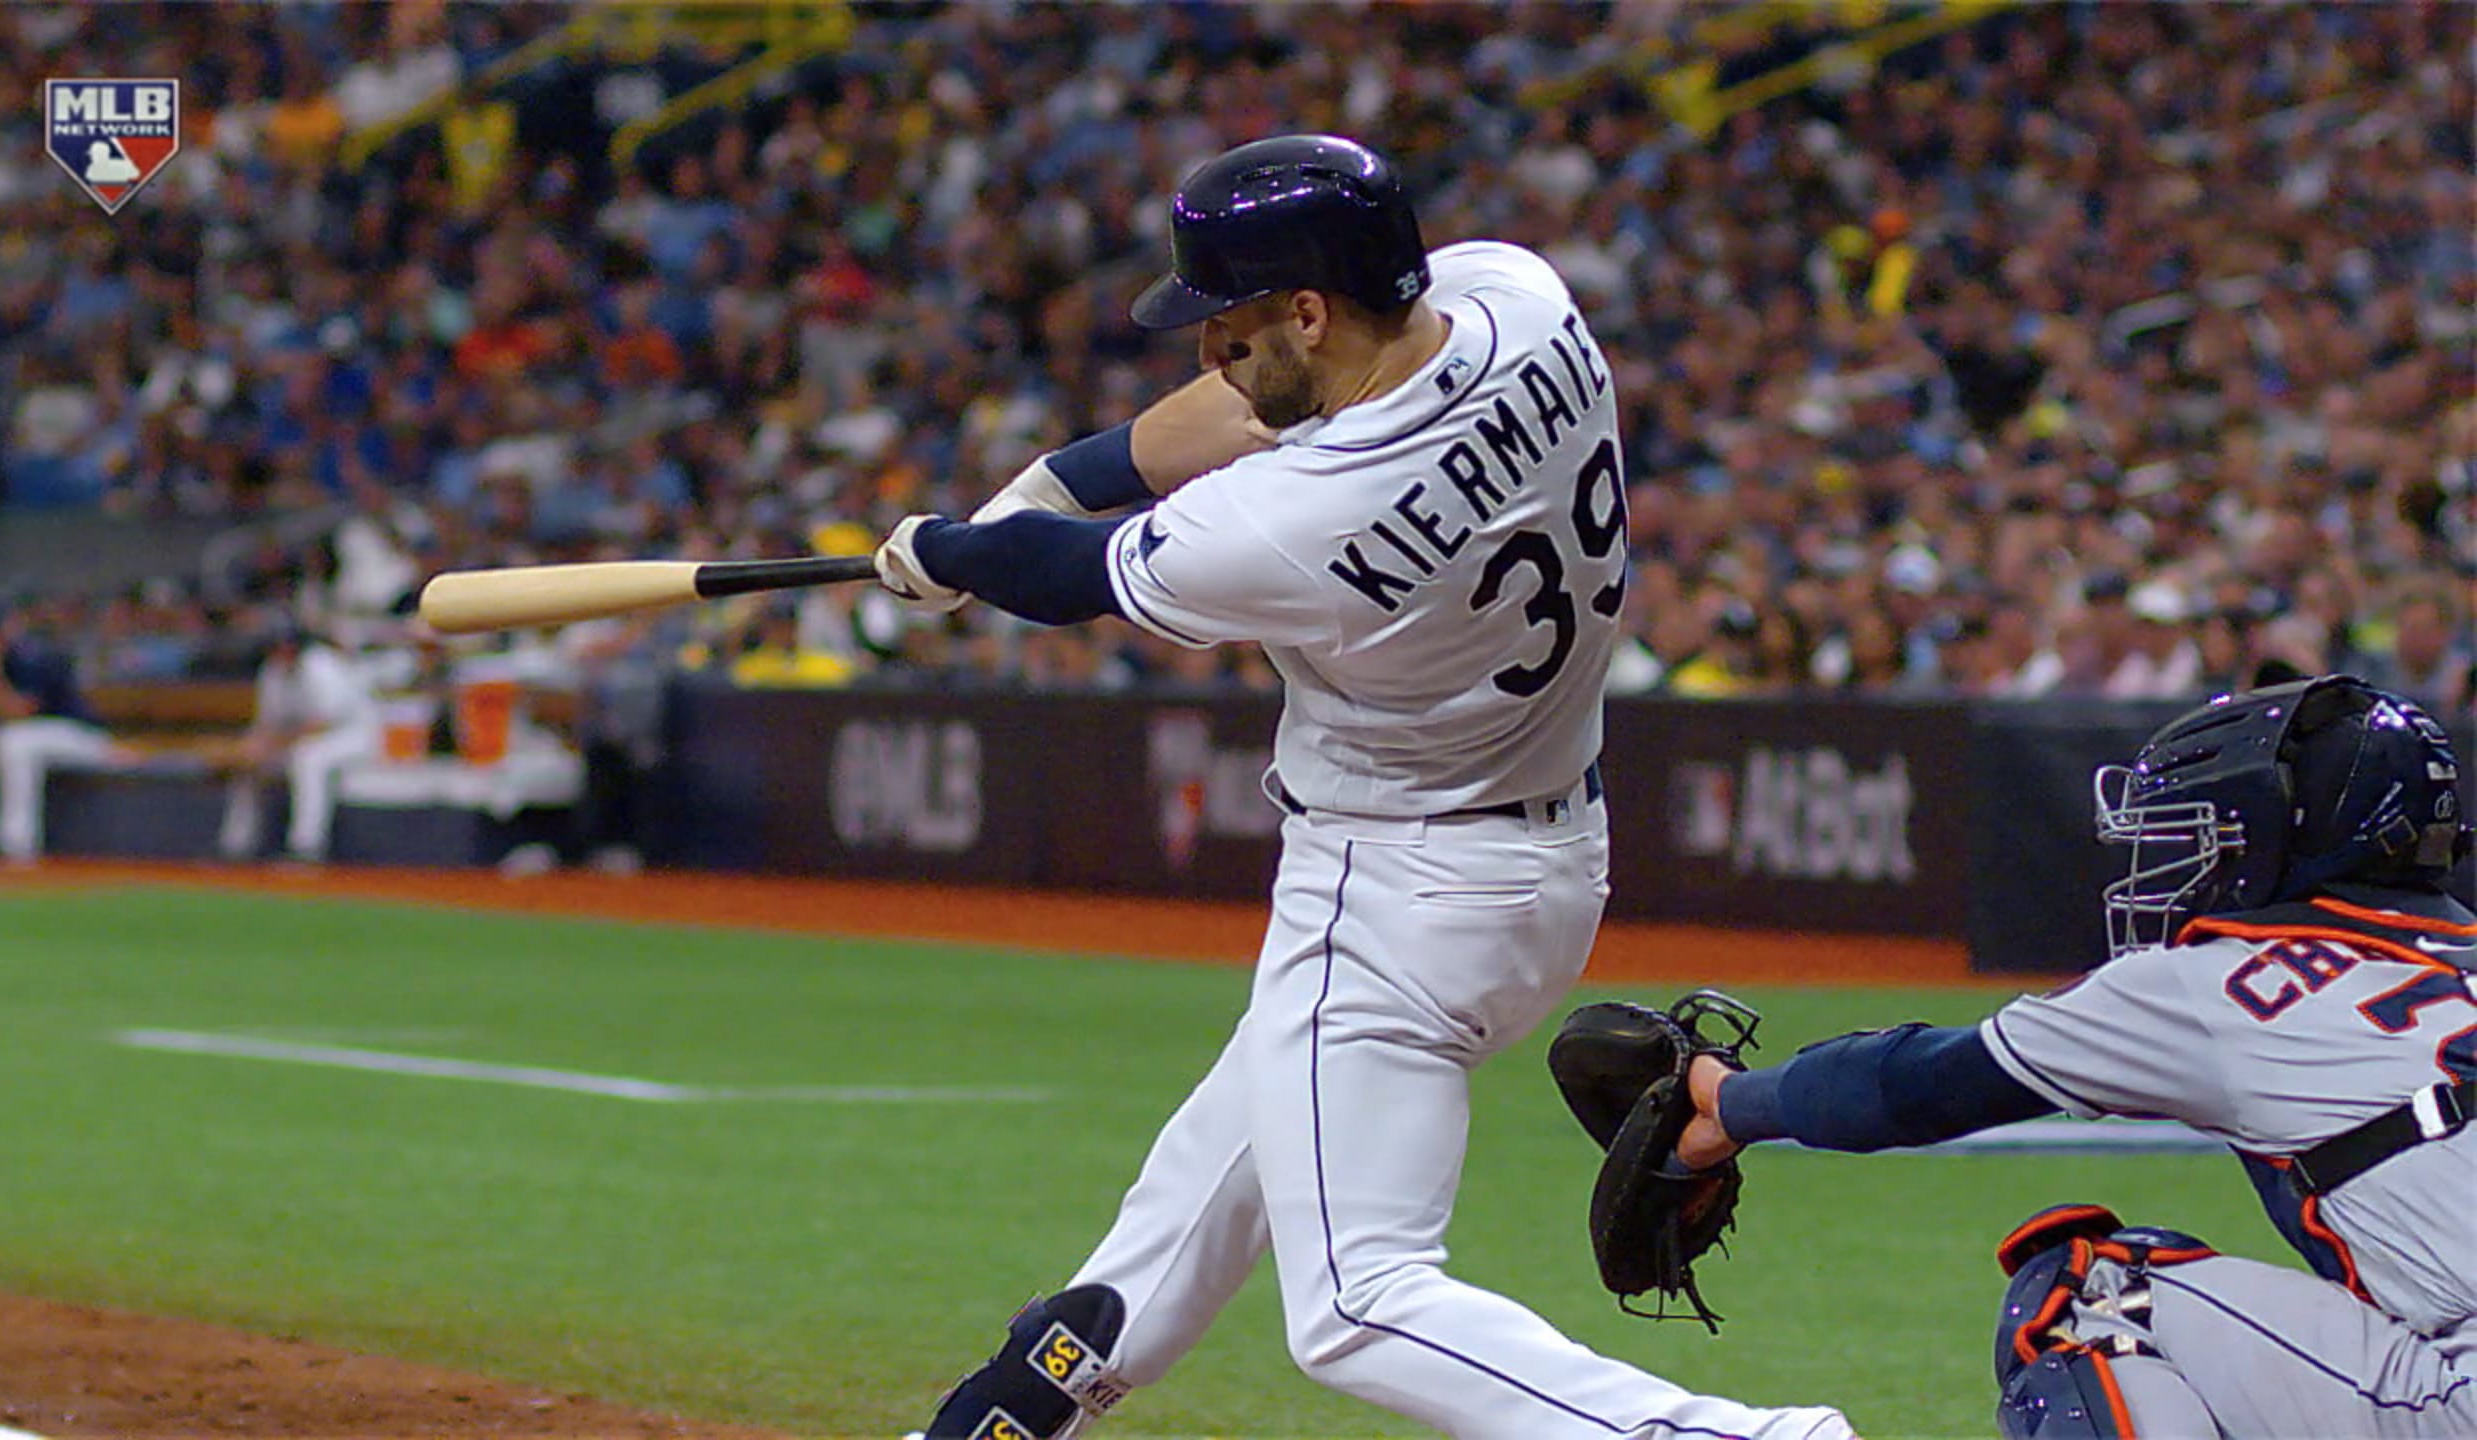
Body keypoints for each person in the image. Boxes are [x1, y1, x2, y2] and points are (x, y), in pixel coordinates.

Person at [875, 134, 1854, 1440]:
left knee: (1354, 1300)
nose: (1211, 348)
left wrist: (946, 549)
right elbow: (1241, 412)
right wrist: (1040, 493)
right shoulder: (1521, 302)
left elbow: (1066, 577)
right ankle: (1007, 1414)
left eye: (1232, 321)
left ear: (1309, 309)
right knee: (1181, 1227)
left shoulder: (1295, 516)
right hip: (1544, 862)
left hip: (1392, 888)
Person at [1672, 675, 2474, 1435]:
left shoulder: (2225, 982)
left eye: (2218, 835)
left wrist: (1729, 1103)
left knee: (2089, 1291)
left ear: (2281, 837)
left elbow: (1914, 1086)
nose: (2198, 864)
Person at [0, 601, 139, 863]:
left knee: (13, 742)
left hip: (79, 734)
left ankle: (16, 846)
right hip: (45, 736)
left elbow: (19, 712)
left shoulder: (31, 655)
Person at [218, 621, 380, 861]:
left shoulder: (321, 666)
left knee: (308, 760)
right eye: (276, 647)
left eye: (286, 646)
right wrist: (253, 748)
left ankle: (306, 845)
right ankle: (235, 846)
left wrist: (276, 744)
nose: (281, 652)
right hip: (301, 739)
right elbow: (267, 723)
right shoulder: (273, 670)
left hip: (353, 736)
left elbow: (322, 722)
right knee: (250, 768)